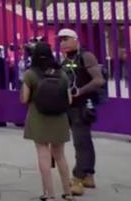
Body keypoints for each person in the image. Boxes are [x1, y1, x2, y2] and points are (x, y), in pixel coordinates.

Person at [22, 41, 74, 201]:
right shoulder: (62, 73)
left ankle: (49, 193)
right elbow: (69, 100)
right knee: (60, 156)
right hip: (59, 117)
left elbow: (24, 99)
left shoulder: (30, 74)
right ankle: (68, 192)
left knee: (43, 155)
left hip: (39, 117)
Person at [58, 28, 105, 196]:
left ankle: (78, 178)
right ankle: (89, 176)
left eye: (66, 39)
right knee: (85, 141)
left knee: (81, 142)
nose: (62, 42)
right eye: (60, 40)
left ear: (75, 40)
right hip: (70, 106)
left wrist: (80, 91)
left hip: (82, 106)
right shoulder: (67, 59)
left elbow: (99, 80)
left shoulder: (86, 56)